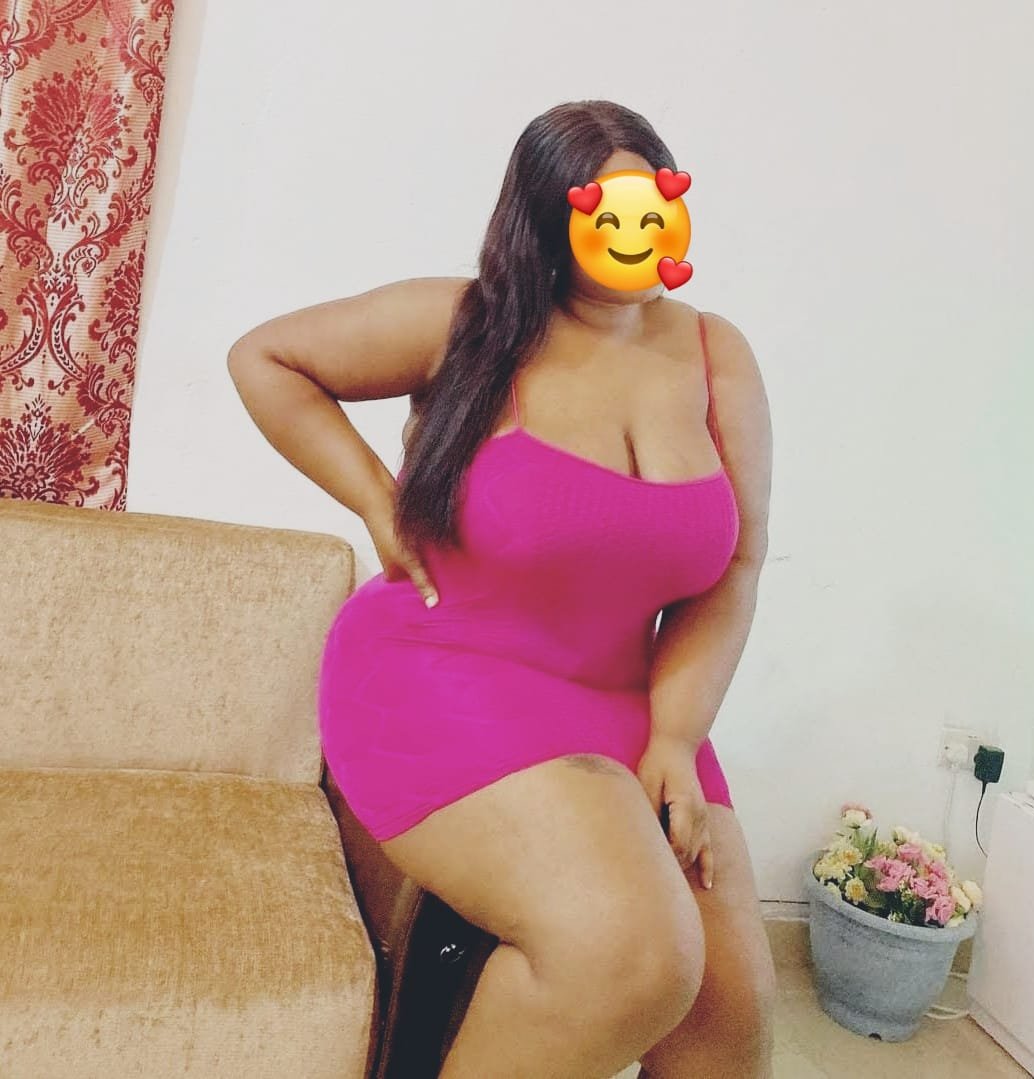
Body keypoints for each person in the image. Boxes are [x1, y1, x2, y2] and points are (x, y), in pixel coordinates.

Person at [228, 99, 776, 1079]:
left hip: (633, 699)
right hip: (443, 669)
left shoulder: (714, 353)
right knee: (635, 957)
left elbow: (733, 566)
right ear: (547, 219)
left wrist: (676, 736)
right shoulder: (465, 321)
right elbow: (266, 357)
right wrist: (378, 503)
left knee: (728, 1015)